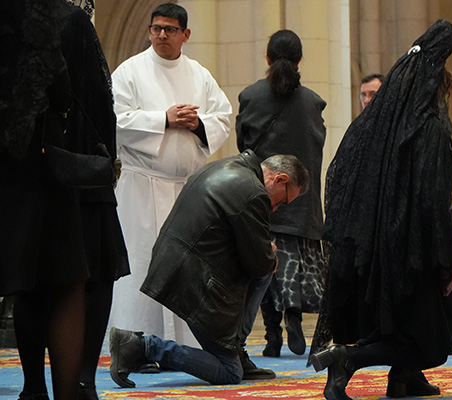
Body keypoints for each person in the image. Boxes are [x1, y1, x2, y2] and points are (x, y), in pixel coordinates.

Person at [309, 20, 452, 400]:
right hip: (406, 255)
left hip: (363, 253)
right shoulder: (429, 128)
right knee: (433, 339)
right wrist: (450, 256)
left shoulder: (369, 125)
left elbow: (337, 179)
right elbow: (432, 202)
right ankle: (348, 358)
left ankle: (403, 378)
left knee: (408, 325)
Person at [1, 1, 127, 399]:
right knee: (67, 283)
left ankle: (33, 388)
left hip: (12, 174)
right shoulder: (54, 18)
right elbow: (71, 93)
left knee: (25, 283)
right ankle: (74, 388)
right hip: (47, 168)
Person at [108, 152, 309, 388]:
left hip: (178, 266)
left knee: (265, 264)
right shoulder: (253, 192)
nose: (275, 208)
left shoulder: (226, 166)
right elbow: (260, 263)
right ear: (280, 179)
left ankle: (235, 349)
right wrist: (269, 254)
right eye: (281, 201)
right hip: (193, 278)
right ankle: (143, 346)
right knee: (228, 372)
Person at [108, 2, 232, 355]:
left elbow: (223, 116)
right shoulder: (129, 71)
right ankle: (132, 342)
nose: (161, 35)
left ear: (185, 35)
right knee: (141, 264)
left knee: (185, 266)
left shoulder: (200, 75)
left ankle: (185, 344)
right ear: (149, 31)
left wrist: (199, 124)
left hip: (185, 189)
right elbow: (115, 119)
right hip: (141, 188)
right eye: (156, 28)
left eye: (170, 29)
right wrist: (163, 119)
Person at [236, 29, 327, 358]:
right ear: (300, 60)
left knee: (263, 267)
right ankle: (295, 315)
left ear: (267, 59)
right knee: (296, 267)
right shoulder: (313, 102)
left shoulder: (250, 97)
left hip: (262, 200)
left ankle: (272, 335)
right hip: (301, 207)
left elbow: (243, 149)